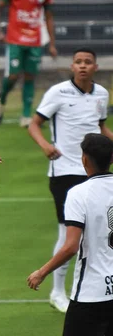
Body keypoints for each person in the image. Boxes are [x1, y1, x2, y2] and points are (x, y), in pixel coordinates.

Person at [27, 47, 112, 313]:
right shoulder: (58, 93)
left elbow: (101, 127)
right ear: (71, 67)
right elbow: (34, 123)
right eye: (78, 62)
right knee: (68, 233)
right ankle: (57, 291)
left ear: (95, 67)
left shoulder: (102, 94)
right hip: (65, 171)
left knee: (100, 228)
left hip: (95, 169)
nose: (83, 66)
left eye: (88, 61)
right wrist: (44, 146)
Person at [27, 133, 113, 336]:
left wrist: (42, 272)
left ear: (84, 159)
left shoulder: (79, 194)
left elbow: (71, 246)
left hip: (91, 294)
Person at [0, 0, 57, 127]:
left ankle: (26, 115)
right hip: (15, 39)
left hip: (35, 40)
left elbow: (49, 17)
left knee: (30, 76)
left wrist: (52, 43)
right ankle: (2, 98)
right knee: (13, 76)